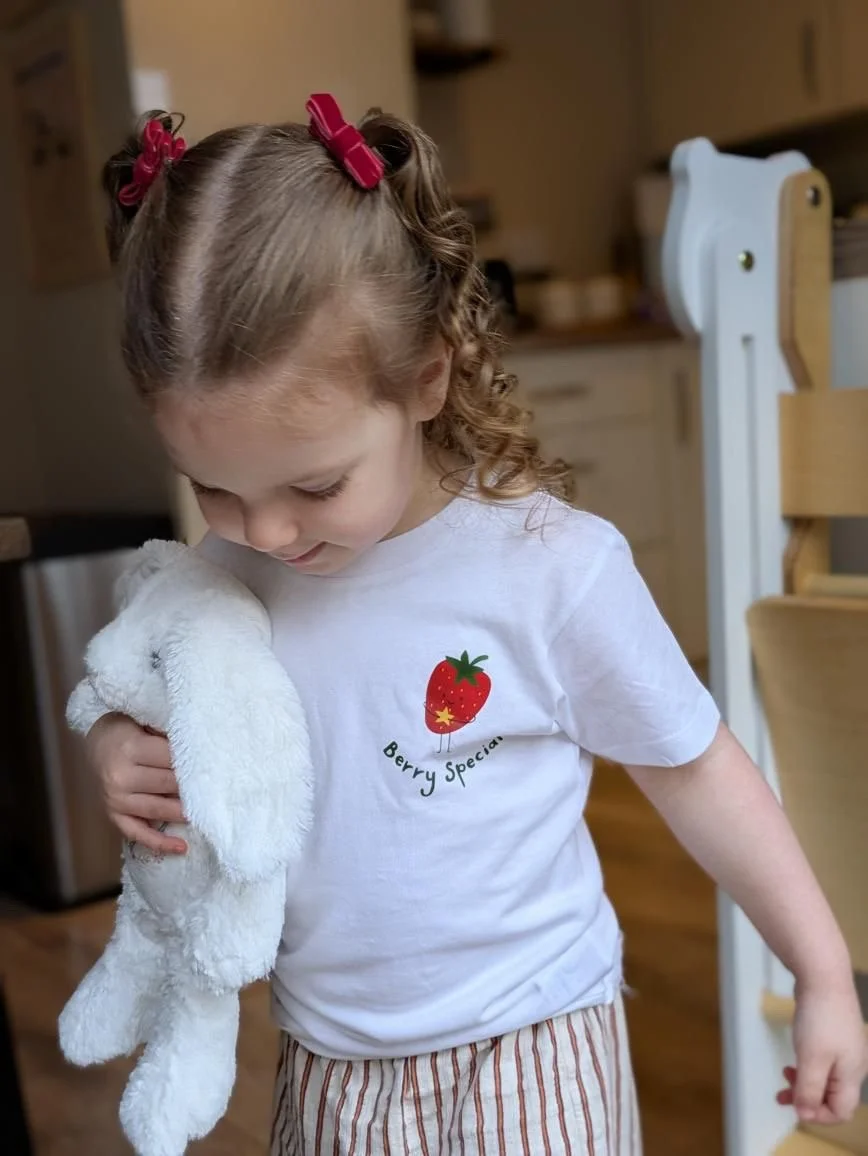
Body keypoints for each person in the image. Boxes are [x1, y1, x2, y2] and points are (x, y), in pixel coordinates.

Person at [86, 94, 866, 1155]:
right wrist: (119, 748)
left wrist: (820, 969)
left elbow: (700, 770)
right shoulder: (223, 588)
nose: (262, 531)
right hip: (329, 1060)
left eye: (314, 484)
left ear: (426, 377)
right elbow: (140, 689)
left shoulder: (550, 571)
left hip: (535, 1037)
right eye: (213, 490)